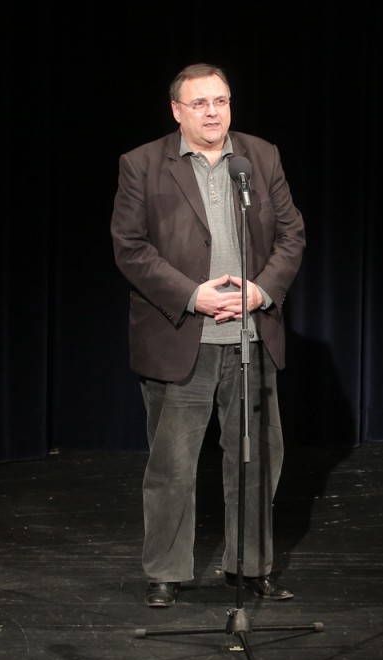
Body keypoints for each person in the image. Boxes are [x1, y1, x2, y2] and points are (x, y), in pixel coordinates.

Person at [110, 63, 306, 607]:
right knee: (172, 468)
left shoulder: (260, 156)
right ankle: (166, 572)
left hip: (251, 337)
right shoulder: (142, 164)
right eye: (199, 103)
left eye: (220, 100)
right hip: (181, 337)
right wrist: (192, 295)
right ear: (177, 111)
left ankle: (251, 566)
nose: (213, 112)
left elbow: (291, 233)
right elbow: (130, 247)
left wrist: (262, 291)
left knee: (256, 460)